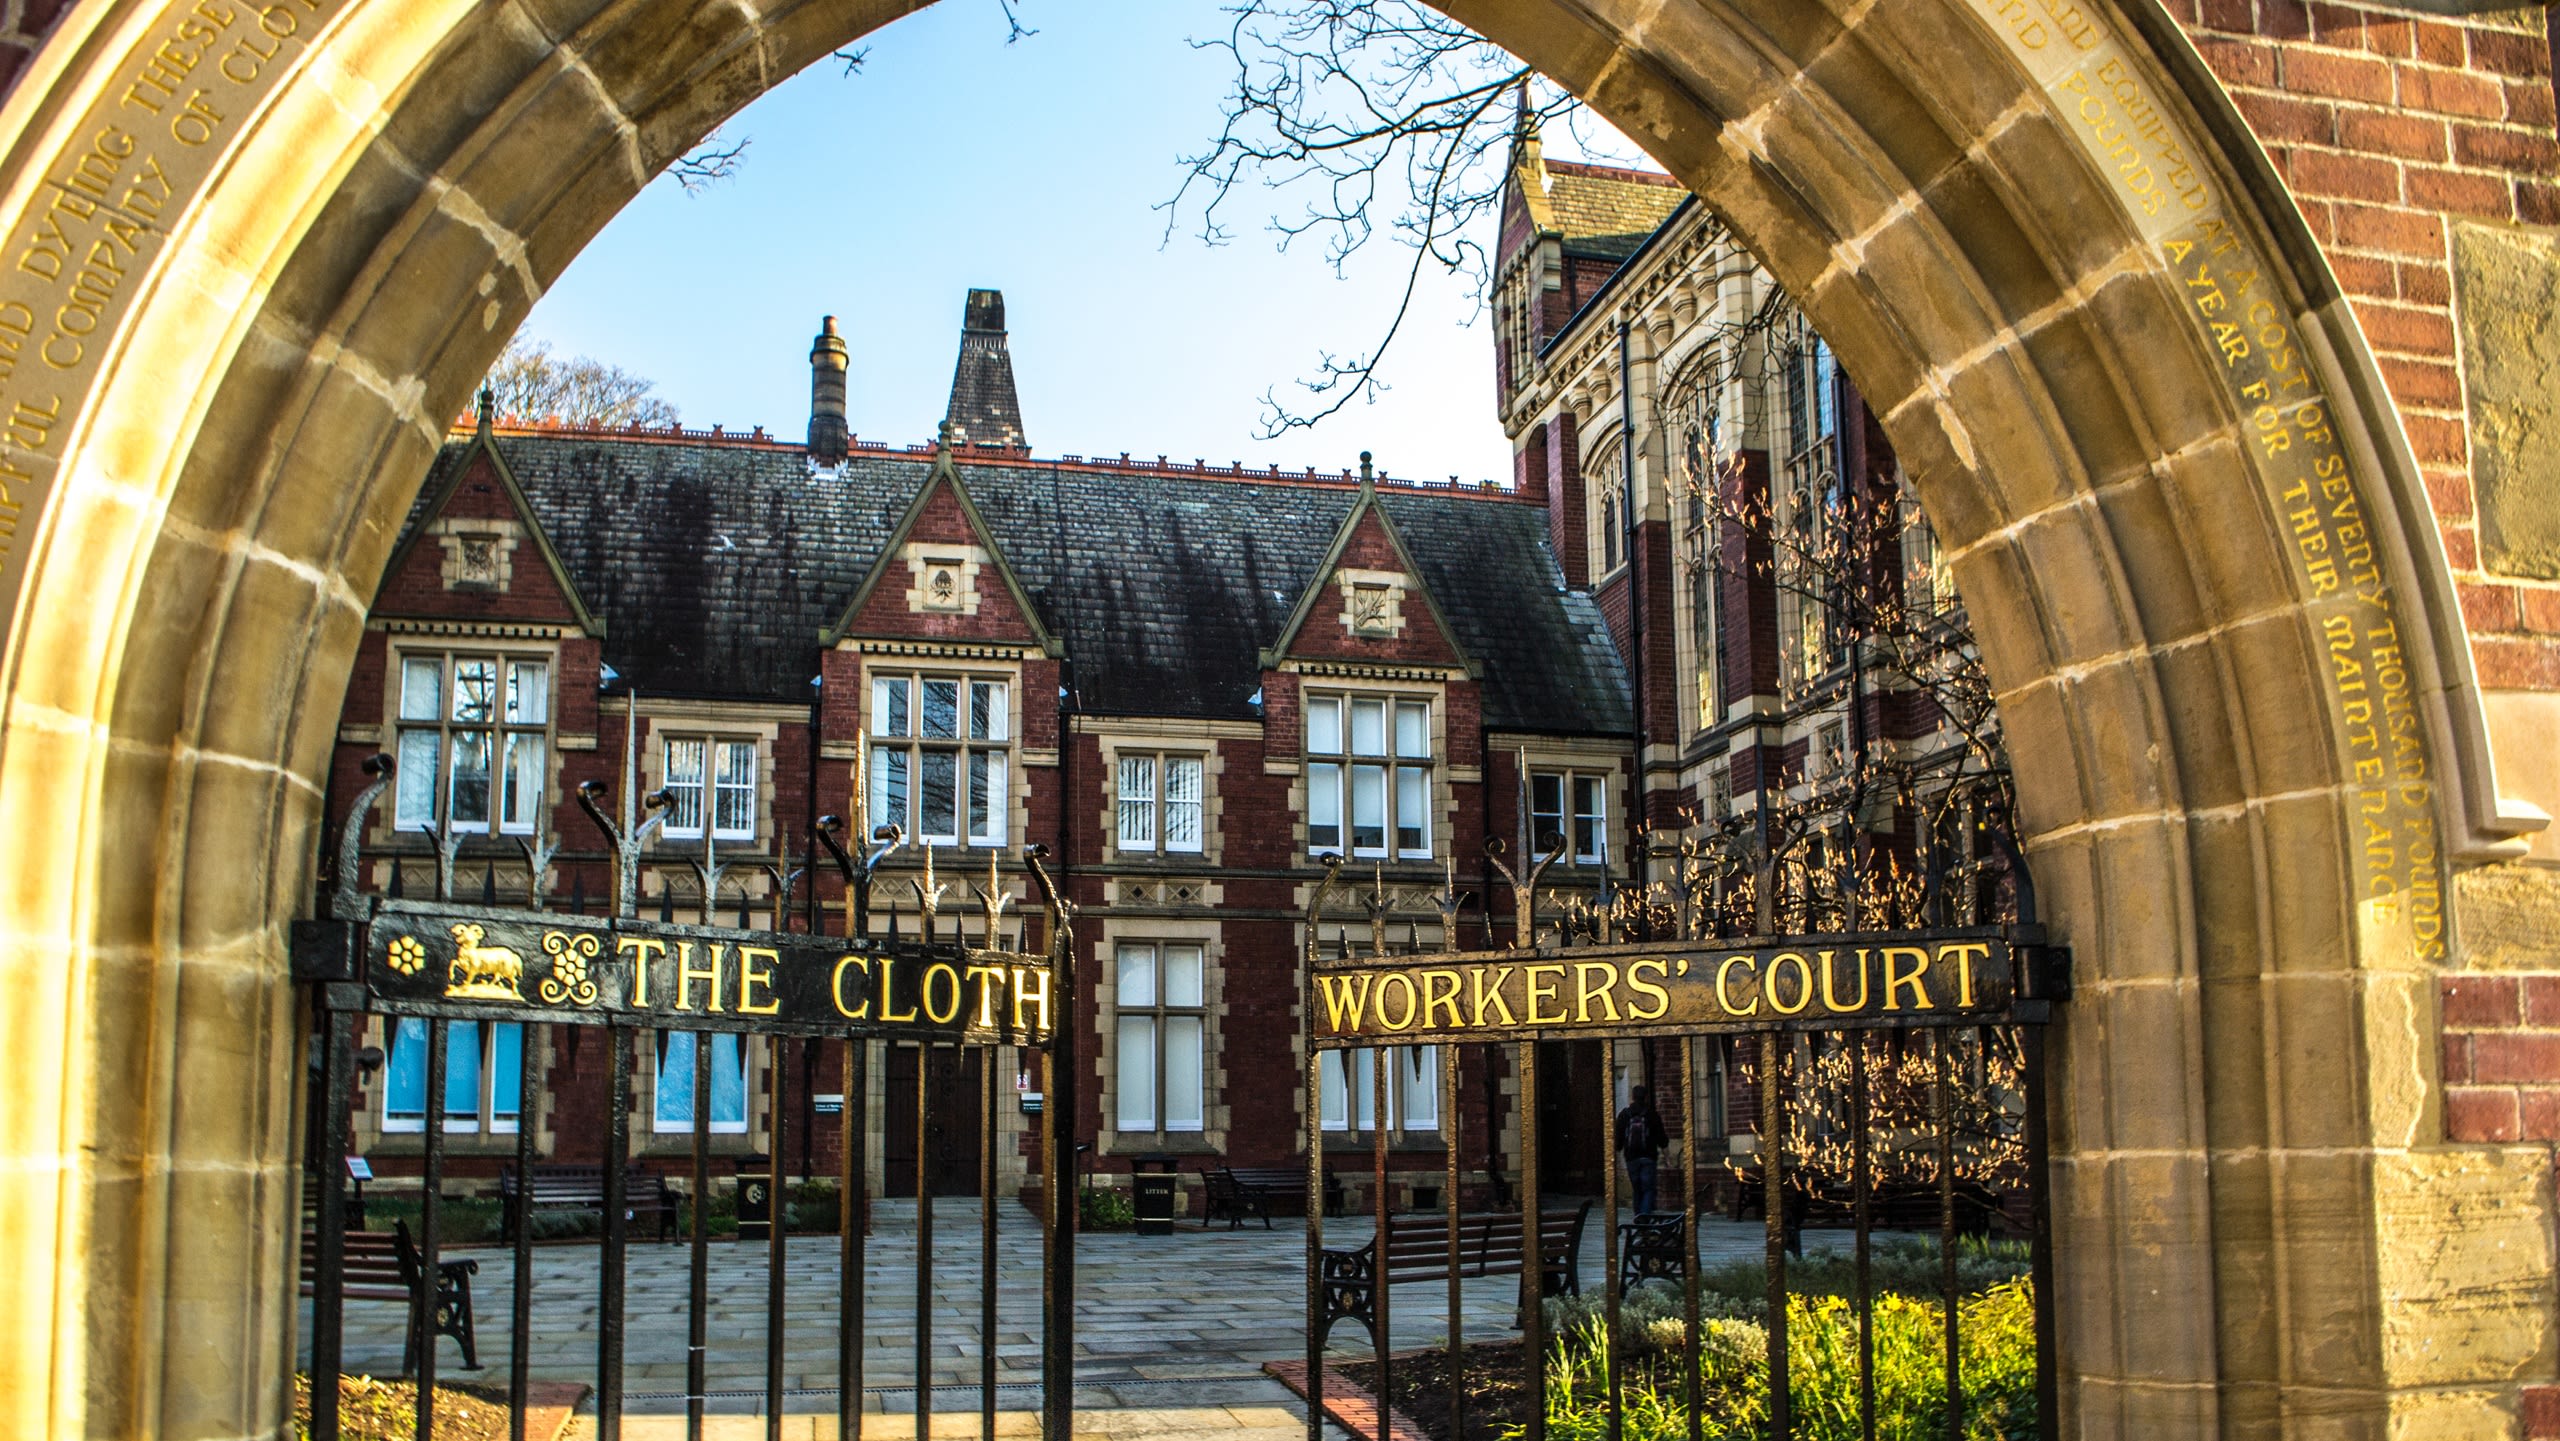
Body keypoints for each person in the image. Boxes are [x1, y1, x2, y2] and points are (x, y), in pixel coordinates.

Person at [1615, 1085, 1668, 1216]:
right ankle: (1644, 1217)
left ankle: (1638, 1216)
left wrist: (1619, 1150)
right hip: (1648, 1156)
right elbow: (1662, 1139)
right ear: (1646, 1097)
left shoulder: (1624, 1115)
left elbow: (1618, 1140)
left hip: (1631, 1157)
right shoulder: (1651, 1114)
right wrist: (1666, 1154)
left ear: (1632, 1097)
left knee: (1636, 1189)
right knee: (1648, 1189)